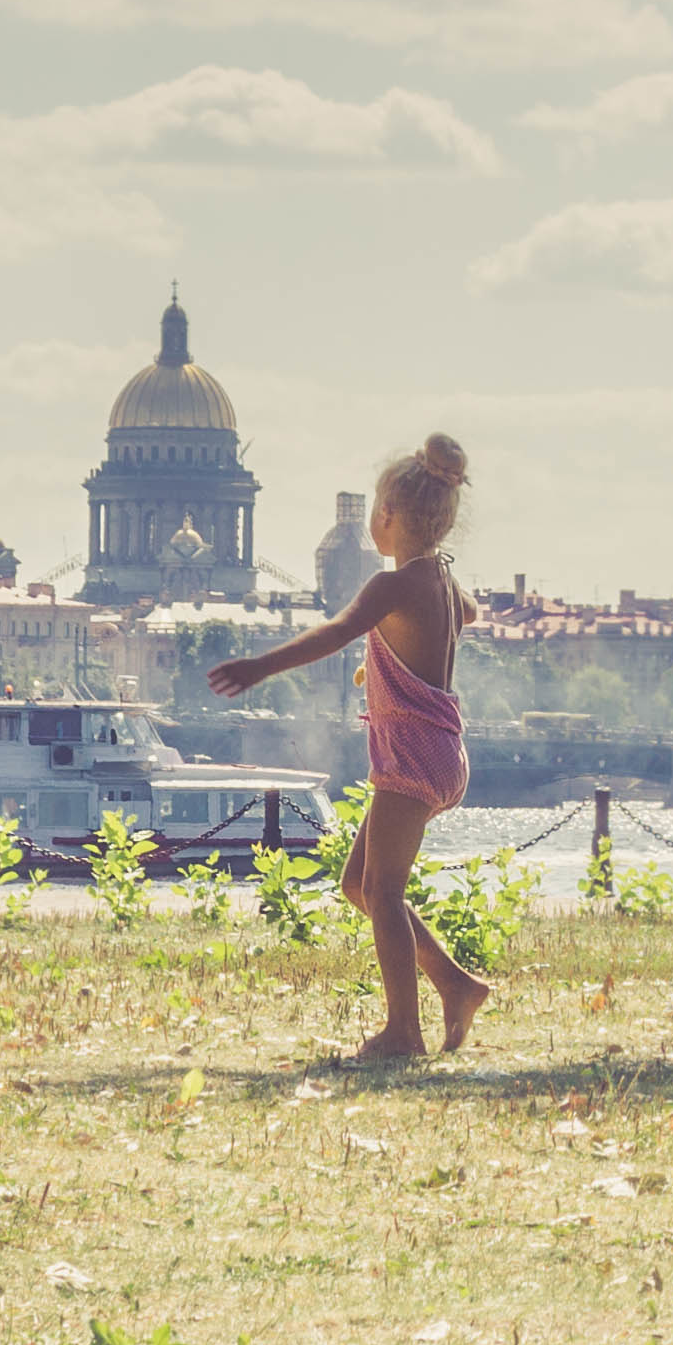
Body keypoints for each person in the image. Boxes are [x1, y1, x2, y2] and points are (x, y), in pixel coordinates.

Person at [210, 434, 492, 1061]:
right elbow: (467, 613)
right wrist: (392, 655)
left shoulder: (393, 588)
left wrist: (260, 666)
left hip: (413, 757)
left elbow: (336, 632)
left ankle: (403, 1033)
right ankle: (455, 983)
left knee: (384, 892)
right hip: (439, 753)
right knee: (360, 886)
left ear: (386, 518)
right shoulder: (441, 581)